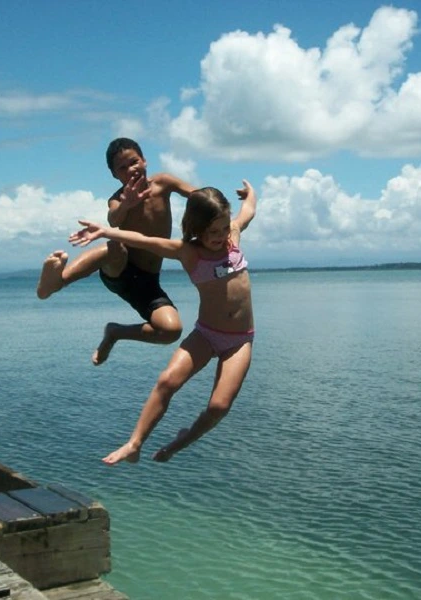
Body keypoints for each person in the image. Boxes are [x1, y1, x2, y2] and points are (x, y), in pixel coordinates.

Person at [70, 179, 257, 465]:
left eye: (222, 228)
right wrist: (106, 231)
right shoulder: (189, 252)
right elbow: (146, 242)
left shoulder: (232, 236)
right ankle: (134, 444)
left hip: (239, 340)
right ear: (196, 228)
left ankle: (178, 443)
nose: (220, 236)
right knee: (167, 380)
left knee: (219, 406)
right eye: (212, 232)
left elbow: (249, 212)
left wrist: (250, 194)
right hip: (207, 335)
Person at [36, 138, 195, 365]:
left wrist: (219, 216)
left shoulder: (163, 183)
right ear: (114, 175)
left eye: (134, 161)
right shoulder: (117, 199)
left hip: (147, 282)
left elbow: (199, 194)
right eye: (122, 167)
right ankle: (56, 282)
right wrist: (127, 204)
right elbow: (113, 218)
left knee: (171, 331)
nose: (131, 169)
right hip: (120, 269)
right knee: (114, 245)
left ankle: (115, 332)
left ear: (144, 160)